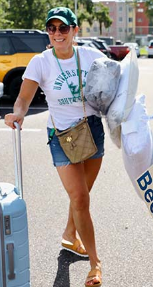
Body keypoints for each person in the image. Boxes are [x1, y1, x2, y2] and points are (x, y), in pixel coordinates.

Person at [4, 7, 106, 287]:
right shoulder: (41, 62)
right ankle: (95, 265)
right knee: (81, 199)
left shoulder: (93, 57)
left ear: (75, 31)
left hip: (92, 130)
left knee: (81, 195)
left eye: (64, 28)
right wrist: (18, 114)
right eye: (52, 28)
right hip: (62, 136)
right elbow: (24, 99)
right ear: (48, 33)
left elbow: (114, 85)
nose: (58, 33)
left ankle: (69, 236)